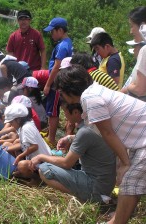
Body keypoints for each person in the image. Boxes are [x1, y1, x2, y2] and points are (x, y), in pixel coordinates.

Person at [54, 65, 146, 224]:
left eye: (61, 93)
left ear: (68, 89)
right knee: (130, 183)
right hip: (140, 138)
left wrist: (124, 163)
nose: (62, 97)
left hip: (143, 138)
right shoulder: (94, 91)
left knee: (130, 181)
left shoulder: (90, 98)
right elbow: (106, 132)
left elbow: (108, 133)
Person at [30, 100, 116, 203]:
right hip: (106, 183)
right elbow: (91, 140)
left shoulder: (84, 132)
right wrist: (70, 138)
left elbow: (66, 163)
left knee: (44, 169)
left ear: (75, 112)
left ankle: (88, 198)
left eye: (65, 111)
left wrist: (41, 157)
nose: (65, 115)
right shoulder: (94, 124)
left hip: (95, 185)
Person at [42, 17, 73, 147]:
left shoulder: (62, 46)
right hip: (60, 81)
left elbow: (56, 66)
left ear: (60, 30)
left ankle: (51, 139)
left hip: (56, 83)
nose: (51, 34)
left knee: (52, 111)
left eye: (52, 31)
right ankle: (50, 134)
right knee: (53, 109)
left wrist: (48, 85)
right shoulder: (68, 42)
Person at [3, 103, 51, 180]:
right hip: (33, 158)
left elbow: (35, 146)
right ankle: (20, 171)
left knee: (22, 165)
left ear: (18, 120)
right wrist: (5, 149)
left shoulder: (26, 128)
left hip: (43, 162)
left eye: (12, 123)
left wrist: (20, 156)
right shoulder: (23, 126)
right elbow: (23, 144)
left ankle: (37, 180)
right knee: (7, 145)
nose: (11, 125)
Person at [120, 6, 146, 102]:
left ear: (142, 26)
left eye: (131, 26)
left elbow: (140, 90)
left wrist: (129, 86)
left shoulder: (144, 50)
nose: (130, 31)